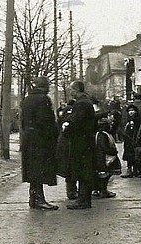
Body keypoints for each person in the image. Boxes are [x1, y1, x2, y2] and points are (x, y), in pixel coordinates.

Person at [19, 77, 59, 211]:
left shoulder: (27, 99)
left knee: (33, 169)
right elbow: (46, 121)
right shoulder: (43, 99)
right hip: (41, 140)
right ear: (44, 86)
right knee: (40, 169)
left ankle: (33, 198)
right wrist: (54, 136)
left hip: (29, 138)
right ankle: (39, 199)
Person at [63, 81, 96, 210]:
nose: (70, 92)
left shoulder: (81, 104)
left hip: (81, 141)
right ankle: (83, 199)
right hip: (85, 140)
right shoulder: (85, 102)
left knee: (82, 170)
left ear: (76, 90)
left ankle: (83, 200)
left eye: (71, 89)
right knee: (84, 169)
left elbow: (76, 121)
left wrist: (67, 126)